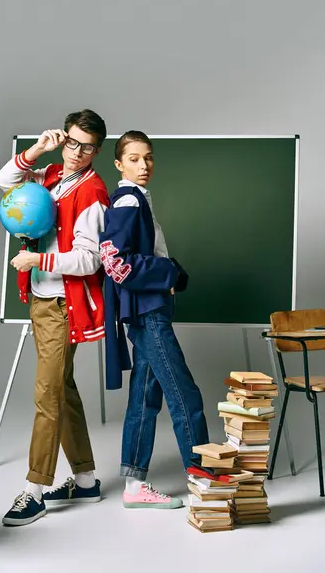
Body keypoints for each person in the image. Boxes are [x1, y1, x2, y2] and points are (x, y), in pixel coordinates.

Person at [0, 109, 109, 526]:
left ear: (98, 150)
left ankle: (35, 489)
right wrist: (40, 149)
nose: (78, 152)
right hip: (42, 298)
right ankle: (87, 480)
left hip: (64, 305)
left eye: (88, 147)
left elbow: (88, 259)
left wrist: (35, 257)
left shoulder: (92, 192)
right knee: (63, 389)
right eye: (73, 142)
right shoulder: (51, 174)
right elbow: (4, 183)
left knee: (47, 395)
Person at [99, 130, 209, 509]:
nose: (143, 165)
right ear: (119, 164)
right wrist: (170, 273)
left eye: (148, 157)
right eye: (133, 158)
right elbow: (114, 262)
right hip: (147, 313)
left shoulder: (139, 198)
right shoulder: (128, 199)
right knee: (185, 395)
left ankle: (134, 486)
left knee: (145, 398)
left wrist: (168, 275)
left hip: (150, 309)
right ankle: (206, 480)